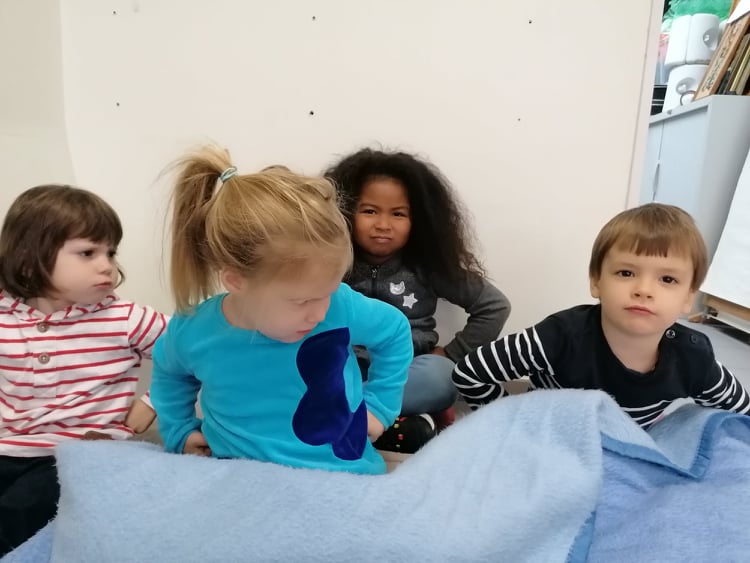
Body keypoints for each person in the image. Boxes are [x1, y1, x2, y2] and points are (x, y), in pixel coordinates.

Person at [150, 145, 413, 475]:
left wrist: (379, 407)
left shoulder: (340, 306)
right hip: (238, 479)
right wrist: (179, 431)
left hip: (343, 476)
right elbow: (169, 373)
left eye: (327, 293)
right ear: (236, 281)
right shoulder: (193, 330)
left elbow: (395, 333)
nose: (319, 313)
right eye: (301, 301)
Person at [453, 203, 750, 428]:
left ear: (688, 297)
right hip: (549, 440)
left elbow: (740, 411)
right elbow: (470, 374)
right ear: (596, 281)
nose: (644, 290)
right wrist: (514, 424)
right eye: (626, 273)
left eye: (668, 279)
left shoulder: (693, 357)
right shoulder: (559, 336)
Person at [0, 185, 167, 556]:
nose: (106, 265)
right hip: (10, 449)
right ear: (28, 258)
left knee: (21, 511)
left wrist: (156, 402)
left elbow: (194, 355)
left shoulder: (124, 317)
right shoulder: (5, 315)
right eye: (88, 253)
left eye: (111, 252)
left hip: (83, 454)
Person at [324, 148, 511, 452]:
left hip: (406, 372)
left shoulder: (428, 266)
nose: (383, 224)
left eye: (398, 214)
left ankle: (338, 416)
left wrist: (450, 353)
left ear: (419, 220)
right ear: (344, 212)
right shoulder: (330, 263)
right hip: (344, 368)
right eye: (369, 211)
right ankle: (396, 425)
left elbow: (494, 306)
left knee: (443, 377)